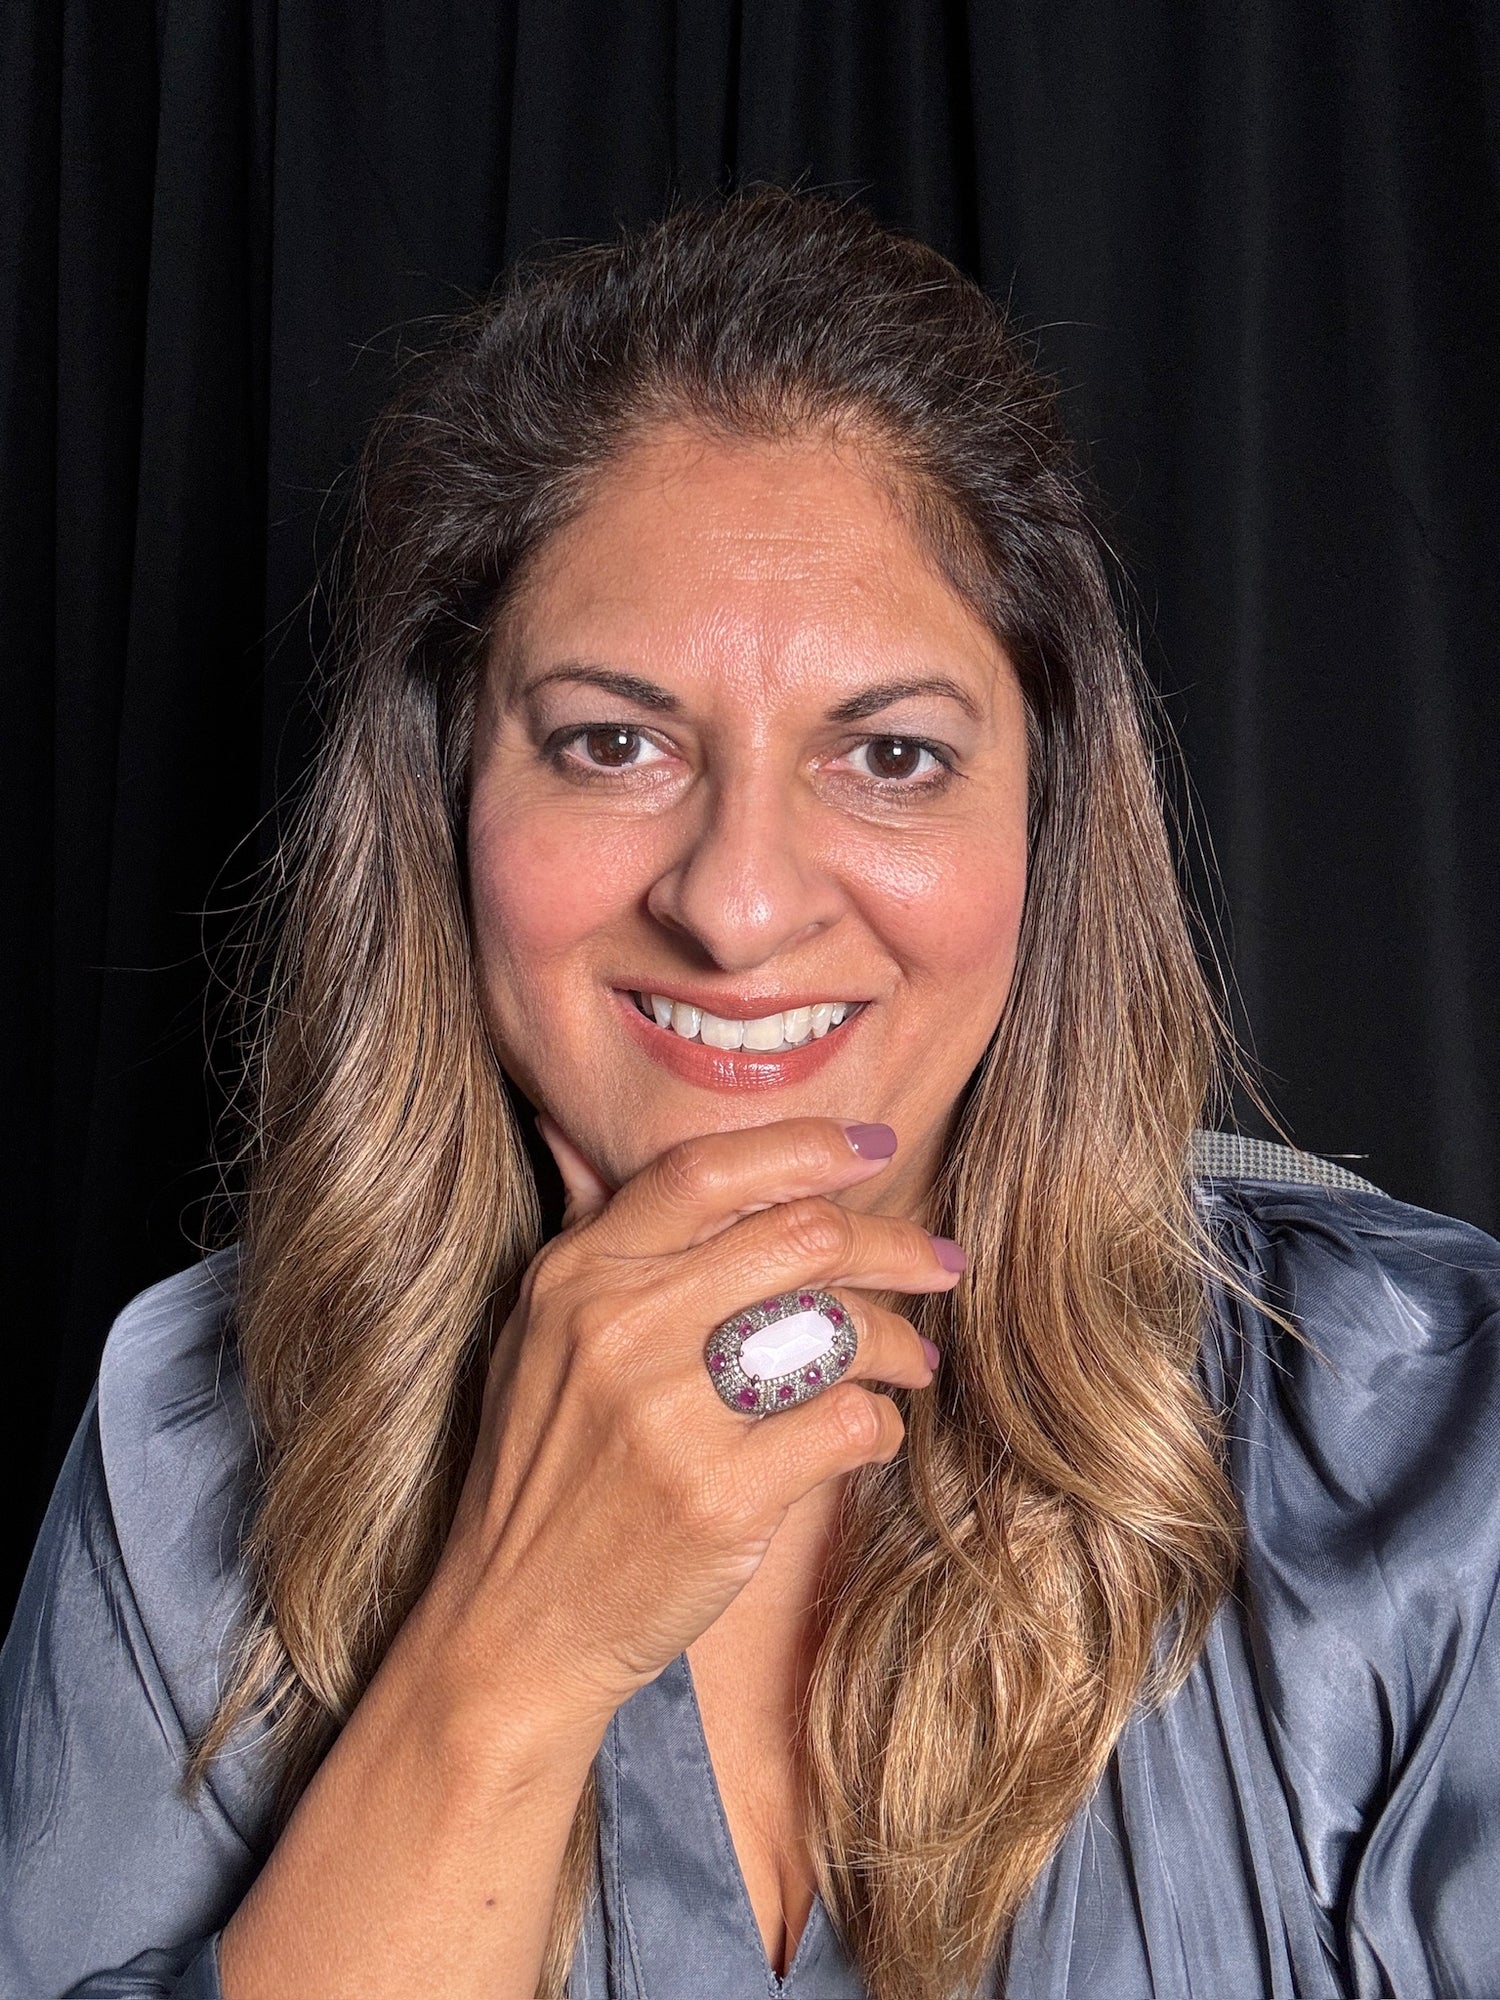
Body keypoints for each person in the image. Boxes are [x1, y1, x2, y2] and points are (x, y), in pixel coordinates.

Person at [2, 187, 1497, 2000]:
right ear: (451, 800)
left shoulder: (1423, 1449)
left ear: (1047, 814)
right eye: (615, 743)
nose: (736, 901)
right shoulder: (191, 1459)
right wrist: (509, 1651)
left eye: (891, 755)